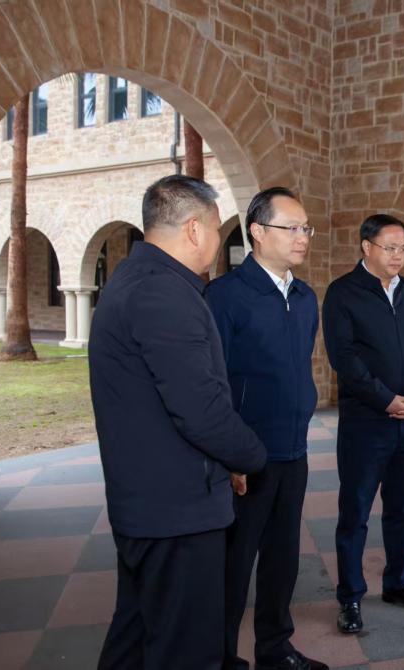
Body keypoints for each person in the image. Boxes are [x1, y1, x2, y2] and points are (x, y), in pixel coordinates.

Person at [89, 174, 267, 669]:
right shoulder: (163, 293)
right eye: (216, 229)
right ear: (193, 229)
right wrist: (253, 455)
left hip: (150, 505)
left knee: (136, 639)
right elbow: (200, 409)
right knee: (185, 651)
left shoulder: (136, 280)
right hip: (175, 511)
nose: (217, 241)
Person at [205, 188, 327, 670]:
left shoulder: (305, 297)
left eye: (305, 228)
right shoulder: (225, 297)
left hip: (293, 450)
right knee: (233, 565)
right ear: (257, 231)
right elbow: (213, 384)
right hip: (246, 457)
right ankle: (219, 658)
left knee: (282, 558)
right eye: (290, 227)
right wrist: (231, 456)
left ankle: (275, 650)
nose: (302, 237)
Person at [322, 213, 404, 634]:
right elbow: (344, 359)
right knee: (355, 512)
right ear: (366, 247)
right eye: (390, 247)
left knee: (402, 508)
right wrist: (385, 400)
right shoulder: (342, 293)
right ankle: (350, 597)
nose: (398, 256)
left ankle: (398, 582)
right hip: (366, 423)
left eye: (403, 248)